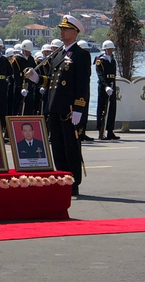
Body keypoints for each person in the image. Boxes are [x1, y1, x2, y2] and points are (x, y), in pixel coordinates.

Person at [26, 15, 91, 196]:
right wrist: (37, 79)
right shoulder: (58, 54)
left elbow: (82, 85)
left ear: (75, 32)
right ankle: (61, 178)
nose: (61, 32)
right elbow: (52, 81)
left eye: (65, 29)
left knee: (70, 147)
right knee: (57, 146)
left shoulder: (81, 55)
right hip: (54, 106)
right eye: (61, 29)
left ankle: (73, 182)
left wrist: (79, 108)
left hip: (69, 110)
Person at [95, 40, 119, 140]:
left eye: (112, 49)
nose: (111, 51)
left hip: (112, 85)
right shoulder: (100, 60)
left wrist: (112, 86)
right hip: (103, 87)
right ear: (105, 49)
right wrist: (105, 86)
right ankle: (101, 130)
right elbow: (100, 75)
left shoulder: (112, 59)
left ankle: (110, 131)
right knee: (102, 109)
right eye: (110, 49)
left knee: (112, 108)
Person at [11, 40, 36, 115]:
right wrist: (21, 88)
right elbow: (16, 75)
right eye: (27, 51)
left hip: (29, 84)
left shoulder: (31, 59)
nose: (29, 53)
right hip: (19, 84)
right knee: (17, 105)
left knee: (29, 106)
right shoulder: (16, 59)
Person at [77, 40, 94, 141]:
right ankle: (77, 131)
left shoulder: (87, 57)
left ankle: (83, 131)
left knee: (85, 109)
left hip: (85, 85)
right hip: (77, 87)